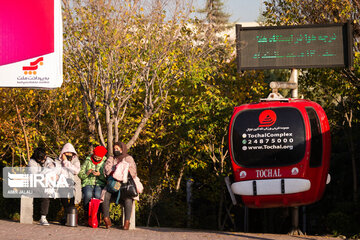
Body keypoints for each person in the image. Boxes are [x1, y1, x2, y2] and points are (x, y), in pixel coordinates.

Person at [102, 142, 137, 230]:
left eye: (117, 149)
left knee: (128, 199)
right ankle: (106, 219)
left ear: (122, 149)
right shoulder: (111, 158)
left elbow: (133, 171)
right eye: (114, 149)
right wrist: (115, 172)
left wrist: (124, 172)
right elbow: (107, 169)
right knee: (105, 195)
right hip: (113, 183)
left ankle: (127, 222)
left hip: (125, 184)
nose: (115, 150)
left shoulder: (128, 158)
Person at [28, 147, 57, 226]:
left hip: (47, 182)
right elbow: (34, 176)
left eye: (44, 158)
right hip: (34, 184)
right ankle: (43, 217)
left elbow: (54, 169)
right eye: (41, 159)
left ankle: (43, 217)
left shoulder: (49, 160)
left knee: (46, 189)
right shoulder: (32, 162)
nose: (44, 160)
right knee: (46, 191)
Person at [78, 145, 107, 223]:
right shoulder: (88, 160)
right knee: (88, 194)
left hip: (99, 183)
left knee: (98, 195)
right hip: (88, 182)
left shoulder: (105, 162)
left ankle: (97, 216)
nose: (97, 159)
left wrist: (100, 175)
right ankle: (87, 215)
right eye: (96, 157)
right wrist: (87, 173)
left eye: (99, 158)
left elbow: (106, 177)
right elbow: (80, 174)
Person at [55, 142, 81, 224]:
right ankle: (67, 214)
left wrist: (66, 161)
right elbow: (56, 171)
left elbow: (76, 171)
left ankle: (68, 216)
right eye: (67, 153)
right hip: (61, 182)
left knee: (72, 192)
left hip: (73, 181)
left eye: (70, 153)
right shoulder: (58, 160)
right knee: (63, 191)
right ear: (63, 153)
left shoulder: (75, 160)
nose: (69, 154)